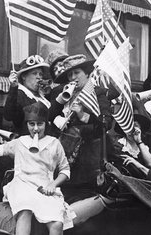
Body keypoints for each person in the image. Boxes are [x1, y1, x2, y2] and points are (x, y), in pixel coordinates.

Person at [0, 101, 74, 235]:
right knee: (24, 211)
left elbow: (65, 170)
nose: (35, 129)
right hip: (23, 185)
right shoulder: (20, 142)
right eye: (31, 124)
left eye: (40, 124)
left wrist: (53, 184)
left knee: (57, 223)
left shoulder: (54, 143)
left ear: (46, 124)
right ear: (27, 124)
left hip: (45, 188)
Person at [49, 54, 115, 186]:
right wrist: (60, 101)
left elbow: (106, 122)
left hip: (90, 153)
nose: (73, 78)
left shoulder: (98, 93)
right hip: (66, 150)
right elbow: (49, 116)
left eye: (76, 73)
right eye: (70, 75)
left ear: (87, 74)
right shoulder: (65, 93)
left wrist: (82, 115)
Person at [4, 55, 51, 135]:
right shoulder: (20, 94)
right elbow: (9, 115)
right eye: (34, 73)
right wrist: (13, 87)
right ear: (24, 76)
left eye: (40, 74)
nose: (38, 77)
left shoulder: (43, 96)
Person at [108, 113, 151, 178]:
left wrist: (139, 141)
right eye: (128, 126)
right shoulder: (116, 146)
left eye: (135, 126)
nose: (131, 130)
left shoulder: (144, 149)